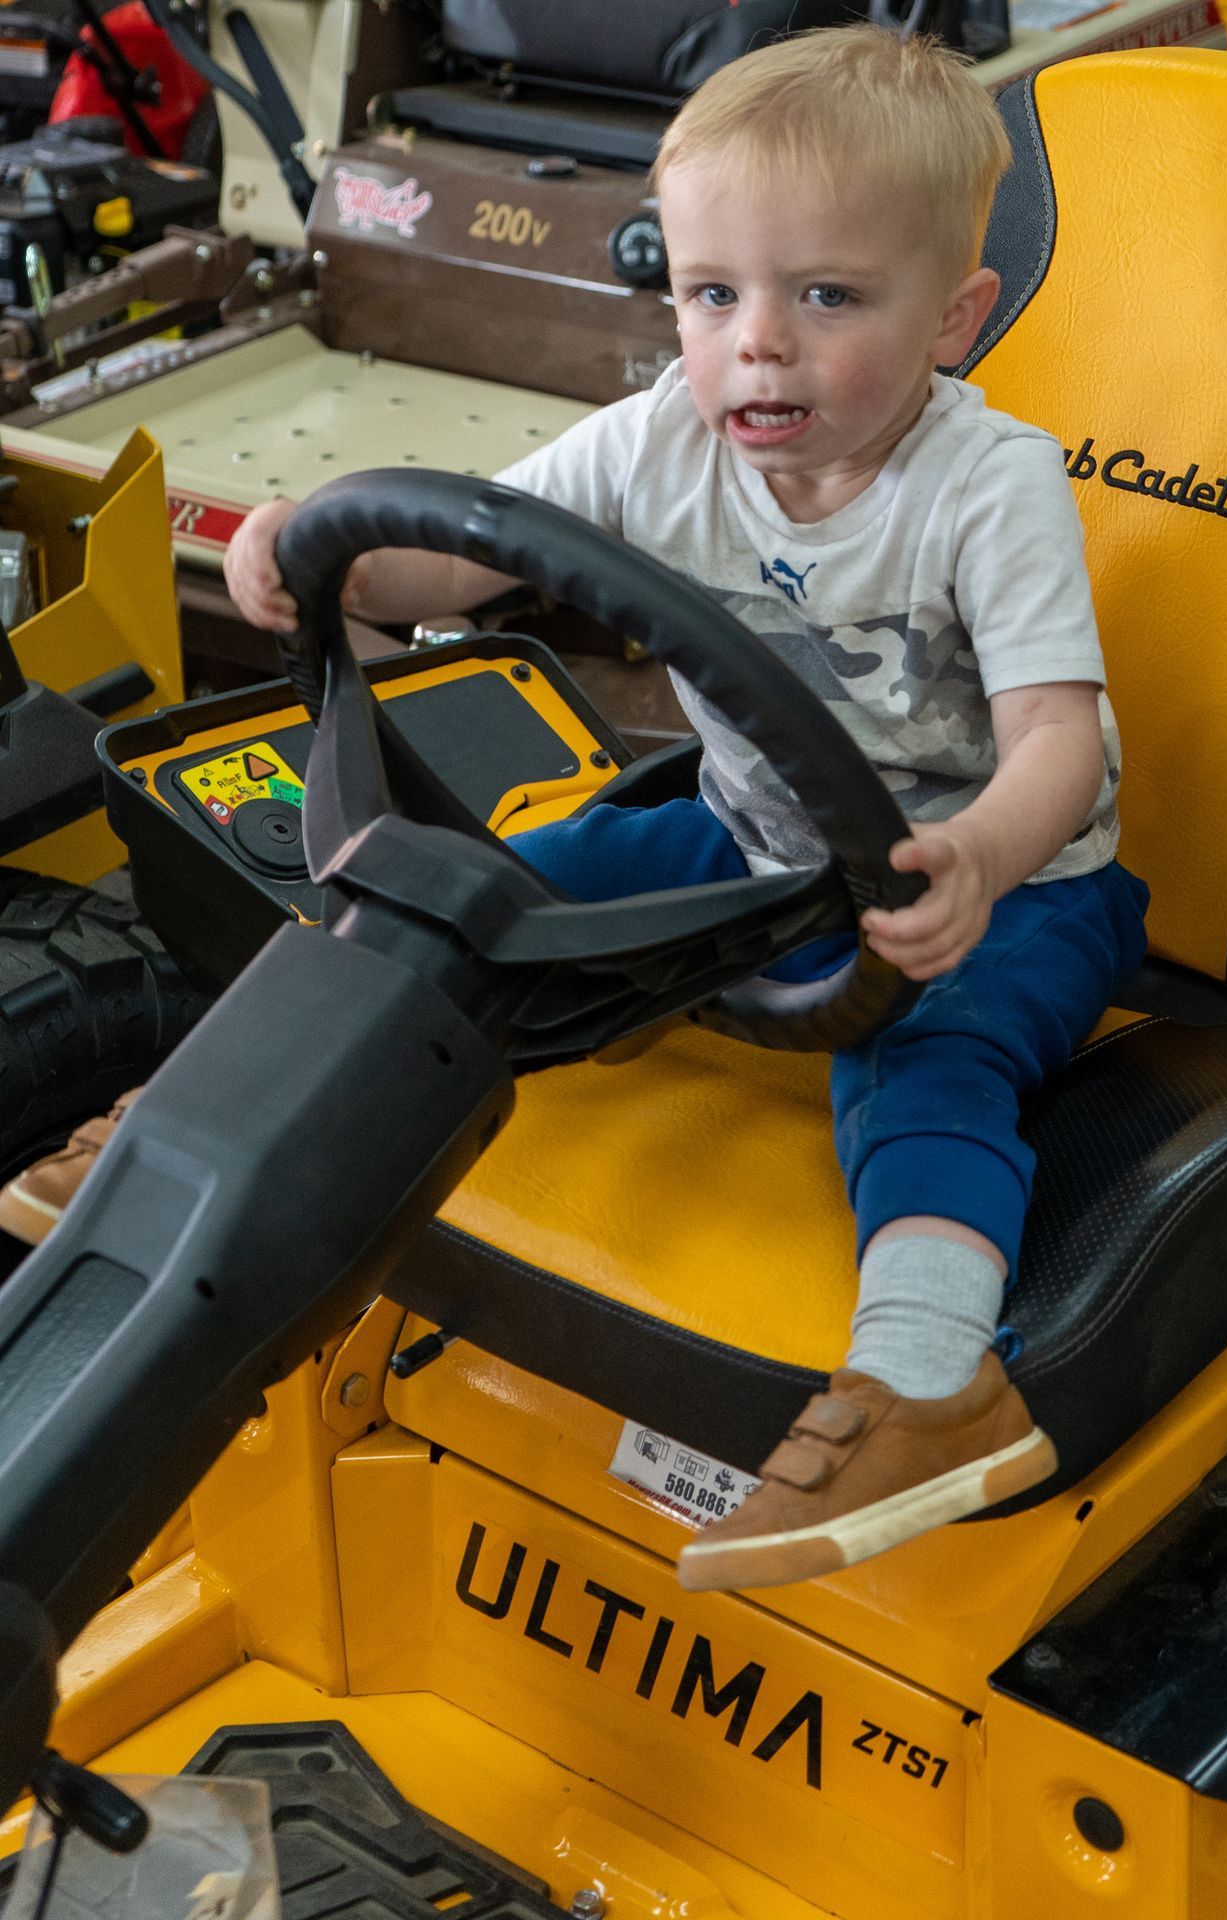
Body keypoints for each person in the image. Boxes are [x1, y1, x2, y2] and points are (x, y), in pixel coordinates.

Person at [4, 26, 1147, 1593]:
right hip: (757, 841)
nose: (758, 346)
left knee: (925, 1061)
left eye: (827, 297)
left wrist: (978, 859)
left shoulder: (990, 485)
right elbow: (455, 561)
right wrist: (314, 543)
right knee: (458, 897)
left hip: (1005, 890)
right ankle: (204, 1147)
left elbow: (1056, 747)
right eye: (712, 294)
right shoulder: (660, 440)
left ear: (956, 317)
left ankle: (937, 1379)